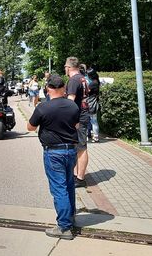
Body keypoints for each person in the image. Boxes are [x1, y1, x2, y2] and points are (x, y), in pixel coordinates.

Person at [27, 74, 79, 240]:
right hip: (71, 150)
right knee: (69, 184)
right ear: (63, 88)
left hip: (53, 152)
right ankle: (70, 217)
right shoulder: (73, 106)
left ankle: (64, 227)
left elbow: (30, 127)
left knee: (59, 188)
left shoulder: (43, 107)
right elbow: (76, 125)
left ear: (48, 89)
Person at [64, 57, 91, 188]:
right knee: (78, 147)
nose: (65, 69)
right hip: (83, 115)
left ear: (69, 67)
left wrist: (65, 118)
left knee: (81, 147)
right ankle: (76, 175)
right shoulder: (82, 77)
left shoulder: (73, 80)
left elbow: (70, 102)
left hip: (79, 118)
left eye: (65, 67)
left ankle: (80, 178)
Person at [86, 68, 101, 143]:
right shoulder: (97, 81)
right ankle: (95, 136)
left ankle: (95, 137)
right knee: (94, 121)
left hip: (91, 103)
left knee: (93, 121)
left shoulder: (93, 83)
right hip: (94, 102)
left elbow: (86, 91)